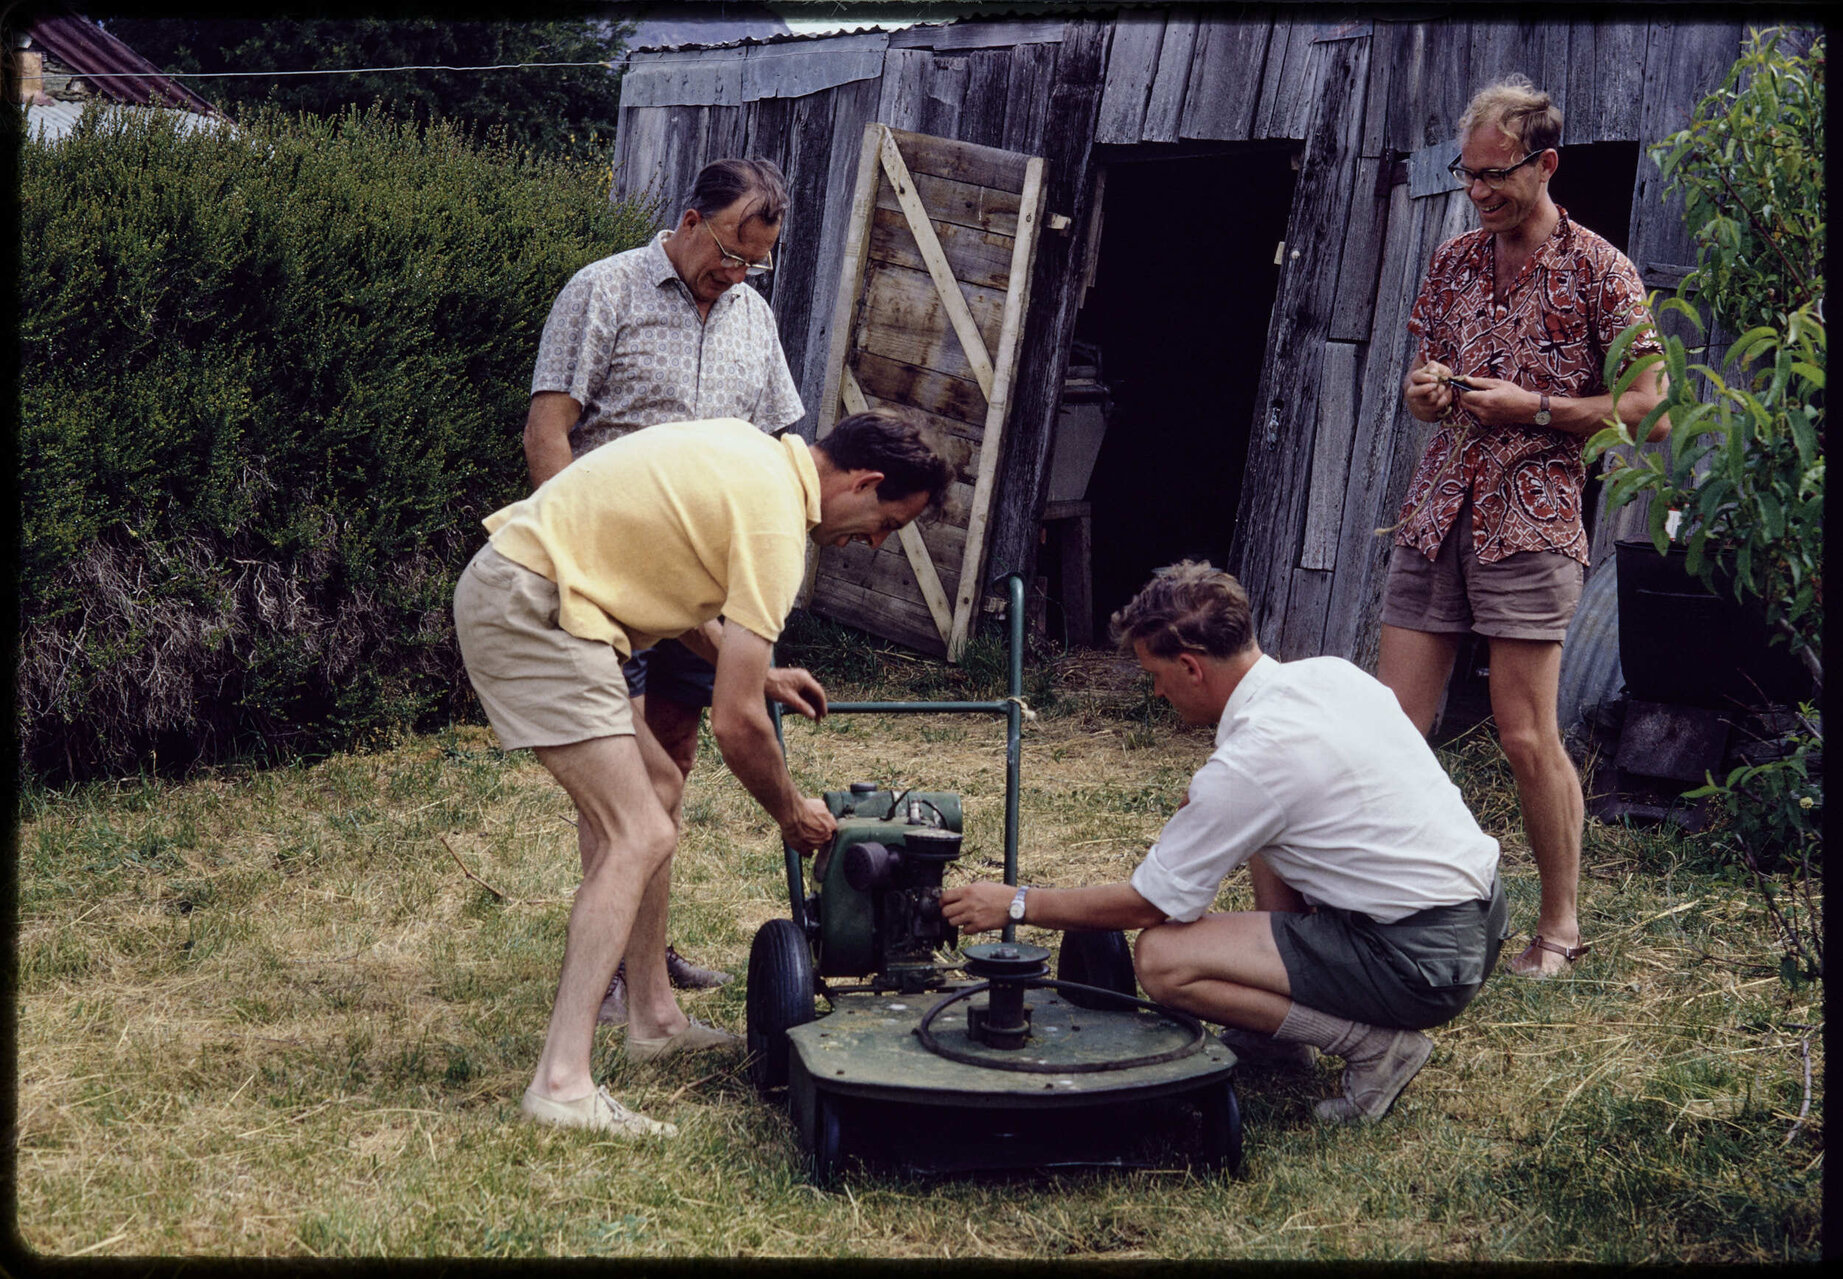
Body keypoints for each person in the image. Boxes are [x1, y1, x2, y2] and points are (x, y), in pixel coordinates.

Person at [454, 408, 952, 1135]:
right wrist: (790, 812)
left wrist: (761, 673)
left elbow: (669, 578)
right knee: (637, 833)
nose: (874, 542)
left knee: (658, 790)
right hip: (535, 608)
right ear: (865, 482)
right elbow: (737, 723)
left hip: (545, 598)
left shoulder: (754, 461)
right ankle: (561, 1083)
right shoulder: (777, 525)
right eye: (887, 523)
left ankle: (654, 1018)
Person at [941, 562, 1505, 1125]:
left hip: (1421, 960)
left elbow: (1151, 905)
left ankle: (1375, 1047)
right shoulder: (1328, 676)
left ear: (1190, 667)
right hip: (1478, 919)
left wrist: (1019, 902)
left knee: (1164, 961)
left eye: (1155, 674)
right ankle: (1280, 1037)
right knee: (1263, 830)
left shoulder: (1254, 760)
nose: (1156, 691)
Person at [1380, 76, 1667, 978]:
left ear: (1544, 164)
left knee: (1524, 734)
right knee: (1392, 728)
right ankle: (1386, 908)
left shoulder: (1601, 271)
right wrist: (1426, 394)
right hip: (1436, 512)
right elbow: (1422, 385)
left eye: (1494, 175)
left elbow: (1649, 410)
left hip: (1532, 522)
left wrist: (1534, 408)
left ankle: (1559, 929)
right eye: (1466, 175)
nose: (1477, 192)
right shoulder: (1453, 261)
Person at [525, 157, 806, 1013]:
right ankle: (613, 972)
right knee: (622, 780)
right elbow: (547, 433)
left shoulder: (753, 316)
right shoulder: (602, 290)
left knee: (671, 765)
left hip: (700, 587)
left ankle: (646, 954)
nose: (738, 274)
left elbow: (777, 444)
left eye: (755, 262)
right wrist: (576, 555)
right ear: (689, 221)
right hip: (610, 580)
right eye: (729, 252)